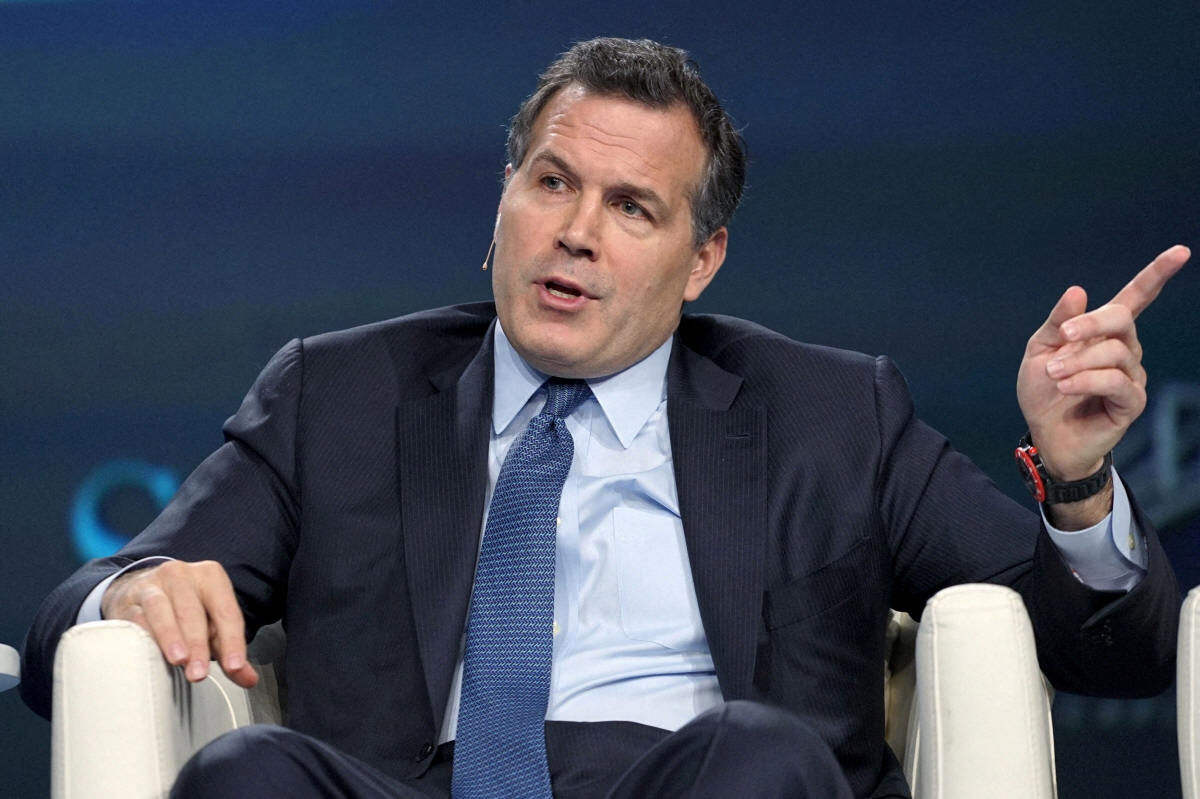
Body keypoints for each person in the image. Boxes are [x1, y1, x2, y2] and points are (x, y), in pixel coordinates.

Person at [20, 37, 1188, 799]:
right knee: (244, 774)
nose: (575, 232)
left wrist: (1079, 480)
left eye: (632, 207)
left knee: (763, 754)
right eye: (552, 182)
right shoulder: (338, 393)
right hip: (412, 786)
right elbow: (81, 607)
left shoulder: (834, 412)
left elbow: (1113, 650)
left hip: (695, 780)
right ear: (504, 200)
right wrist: (133, 589)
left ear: (702, 259)